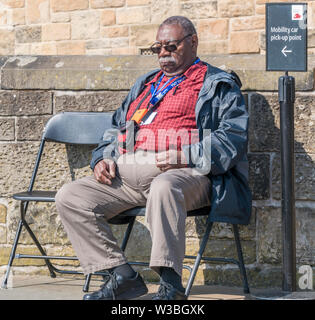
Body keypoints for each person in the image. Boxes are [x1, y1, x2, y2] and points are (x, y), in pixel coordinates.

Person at [55, 15, 252, 300]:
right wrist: (102, 159)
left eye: (170, 46)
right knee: (71, 196)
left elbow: (233, 138)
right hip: (128, 174)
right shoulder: (146, 84)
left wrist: (185, 155)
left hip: (187, 174)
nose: (162, 54)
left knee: (164, 186)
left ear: (193, 42)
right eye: (156, 48)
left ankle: (170, 285)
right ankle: (121, 276)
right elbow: (115, 128)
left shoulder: (216, 84)